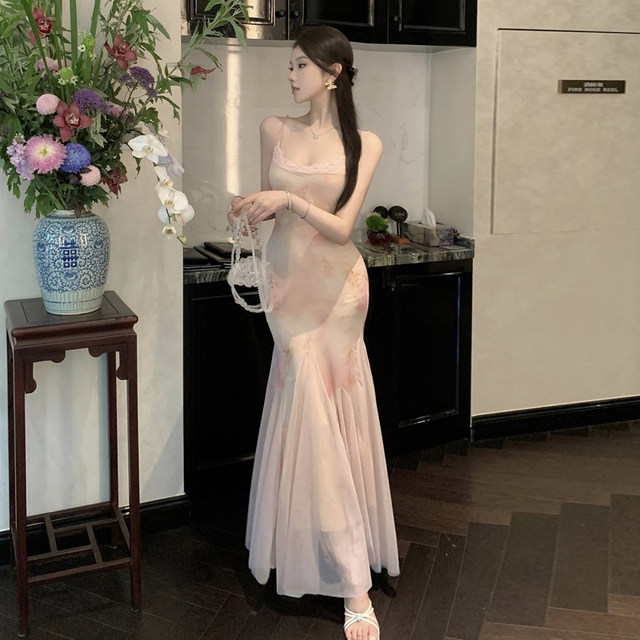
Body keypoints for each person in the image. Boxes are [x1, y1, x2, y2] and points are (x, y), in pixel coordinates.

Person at [228, 25, 400, 640]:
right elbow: (268, 215)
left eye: (301, 65)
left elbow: (343, 228)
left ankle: (352, 580)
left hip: (339, 291)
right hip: (286, 288)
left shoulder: (364, 143)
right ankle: (311, 548)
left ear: (333, 72)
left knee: (329, 412)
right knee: (304, 404)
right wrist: (248, 211)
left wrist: (289, 199)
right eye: (290, 65)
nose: (291, 75)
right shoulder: (273, 129)